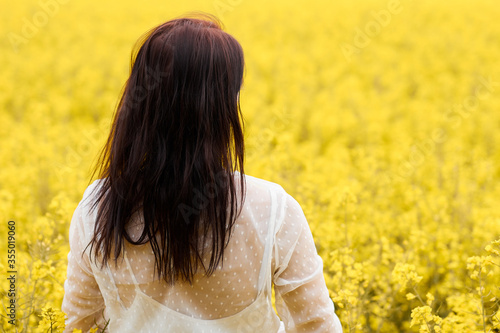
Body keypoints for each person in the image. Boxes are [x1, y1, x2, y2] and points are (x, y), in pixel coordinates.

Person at [62, 14, 343, 332]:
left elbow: (79, 324)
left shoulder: (96, 208)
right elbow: (317, 326)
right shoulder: (274, 210)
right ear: (219, 105)